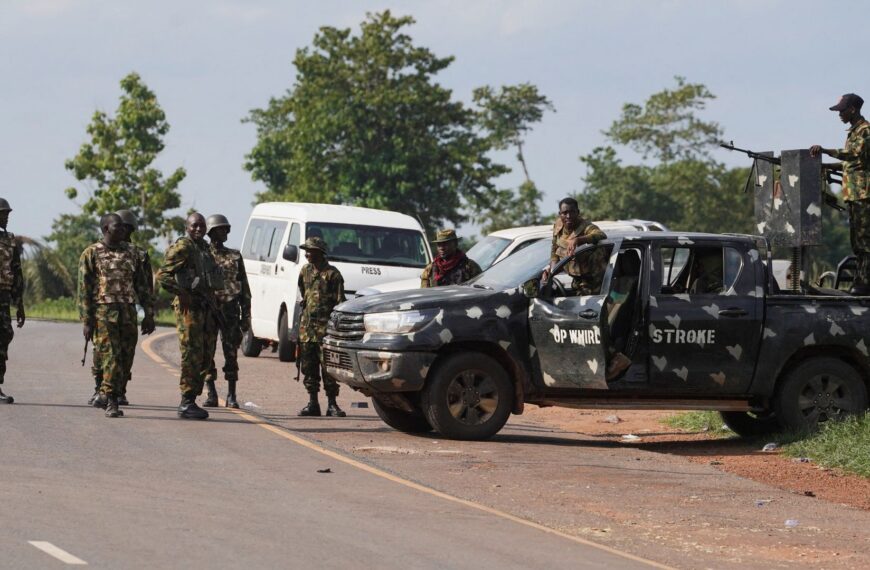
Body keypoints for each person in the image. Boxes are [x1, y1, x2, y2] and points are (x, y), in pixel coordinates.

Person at [78, 213, 155, 417]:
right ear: (105, 229)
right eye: (117, 227)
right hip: (104, 312)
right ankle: (112, 401)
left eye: (123, 227)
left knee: (125, 357)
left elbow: (143, 287)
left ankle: (109, 392)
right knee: (110, 355)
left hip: (128, 311)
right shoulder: (91, 253)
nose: (123, 230)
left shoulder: (133, 253)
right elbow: (84, 290)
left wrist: (149, 313)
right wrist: (87, 319)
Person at [156, 213, 222, 420]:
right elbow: (163, 275)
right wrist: (181, 292)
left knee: (205, 355)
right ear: (187, 227)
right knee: (191, 354)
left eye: (201, 226)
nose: (198, 229)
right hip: (190, 310)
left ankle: (192, 398)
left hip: (205, 308)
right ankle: (186, 402)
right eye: (194, 226)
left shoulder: (203, 247)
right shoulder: (183, 247)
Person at [810, 93, 870, 295]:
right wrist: (826, 165)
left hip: (863, 195)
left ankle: (864, 282)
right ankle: (861, 279)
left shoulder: (865, 131)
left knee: (864, 240)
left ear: (852, 109)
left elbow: (853, 154)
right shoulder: (854, 132)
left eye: (842, 110)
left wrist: (826, 150)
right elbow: (850, 162)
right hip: (855, 195)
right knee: (857, 241)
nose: (839, 114)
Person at [203, 214, 251, 409]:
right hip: (209, 309)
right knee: (207, 352)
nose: (225, 232)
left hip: (230, 309)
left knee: (231, 353)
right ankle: (211, 393)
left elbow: (245, 288)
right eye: (221, 229)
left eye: (226, 229)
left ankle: (231, 395)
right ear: (212, 232)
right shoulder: (203, 254)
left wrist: (246, 316)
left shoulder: (235, 256)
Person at [297, 236, 346, 417]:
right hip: (307, 330)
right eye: (306, 250)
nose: (307, 254)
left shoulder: (333, 274)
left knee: (329, 369)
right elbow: (304, 294)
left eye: (310, 250)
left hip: (326, 332)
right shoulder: (305, 271)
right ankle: (313, 403)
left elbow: (340, 304)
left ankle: (332, 404)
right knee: (309, 368)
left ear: (320, 252)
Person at [543, 197, 608, 295]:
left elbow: (601, 235)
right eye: (565, 213)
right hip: (576, 280)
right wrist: (551, 271)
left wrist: (578, 240)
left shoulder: (585, 226)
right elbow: (554, 250)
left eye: (572, 212)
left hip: (595, 281)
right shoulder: (558, 226)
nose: (568, 216)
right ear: (560, 214)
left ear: (578, 212)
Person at [0, 198, 24, 404]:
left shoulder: (10, 240)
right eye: (3, 213)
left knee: (4, 335)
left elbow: (17, 271)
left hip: (4, 297)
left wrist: (20, 304)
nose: (6, 217)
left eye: (8, 213)